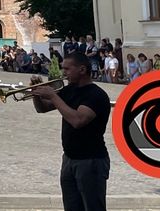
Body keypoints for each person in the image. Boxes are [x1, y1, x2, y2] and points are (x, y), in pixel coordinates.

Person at [31, 52, 110, 211]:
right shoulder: (69, 90)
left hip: (91, 161)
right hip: (69, 159)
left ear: (82, 69)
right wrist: (36, 93)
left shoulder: (96, 95)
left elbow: (78, 120)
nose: (64, 72)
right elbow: (42, 108)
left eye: (67, 69)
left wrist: (53, 96)